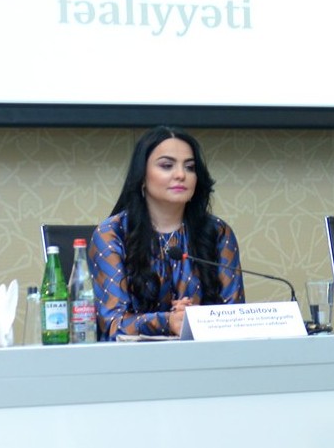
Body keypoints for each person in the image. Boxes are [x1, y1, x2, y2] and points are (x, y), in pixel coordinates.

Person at [93, 126, 243, 339]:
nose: (181, 175)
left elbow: (236, 319)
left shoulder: (217, 232)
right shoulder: (112, 233)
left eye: (190, 167)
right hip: (133, 358)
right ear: (142, 176)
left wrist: (197, 319)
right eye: (167, 165)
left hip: (206, 356)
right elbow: (111, 324)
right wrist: (167, 321)